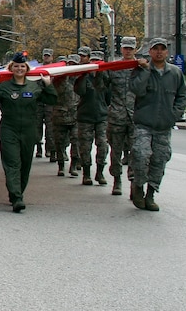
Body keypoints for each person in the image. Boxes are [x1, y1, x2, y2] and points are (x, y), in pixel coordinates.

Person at [0, 52, 57, 212]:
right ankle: (17, 197)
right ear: (11, 68)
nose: (19, 68)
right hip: (9, 129)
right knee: (12, 163)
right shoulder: (4, 87)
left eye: (22, 66)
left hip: (29, 129)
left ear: (27, 68)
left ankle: (17, 192)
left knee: (25, 163)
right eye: (16, 66)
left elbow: (51, 100)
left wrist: (49, 85)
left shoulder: (34, 87)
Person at [129, 38, 186, 211]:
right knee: (140, 156)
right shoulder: (140, 70)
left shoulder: (175, 73)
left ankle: (151, 194)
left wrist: (174, 114)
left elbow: (183, 95)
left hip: (163, 126)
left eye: (163, 49)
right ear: (150, 52)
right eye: (156, 49)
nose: (159, 52)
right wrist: (146, 71)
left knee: (159, 160)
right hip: (144, 124)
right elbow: (137, 90)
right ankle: (138, 187)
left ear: (167, 52)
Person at [73, 47, 109, 186]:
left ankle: (100, 172)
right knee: (85, 147)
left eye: (97, 61)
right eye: (92, 61)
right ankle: (86, 174)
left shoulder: (105, 77)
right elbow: (80, 91)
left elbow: (109, 97)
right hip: (85, 117)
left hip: (101, 117)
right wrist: (83, 75)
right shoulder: (82, 77)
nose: (95, 64)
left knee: (103, 146)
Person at [107, 37, 138, 195]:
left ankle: (133, 181)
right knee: (116, 151)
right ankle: (117, 180)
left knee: (135, 151)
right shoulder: (114, 67)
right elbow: (103, 87)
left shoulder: (140, 67)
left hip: (135, 117)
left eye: (130, 48)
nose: (128, 51)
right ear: (121, 49)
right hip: (117, 116)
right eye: (125, 48)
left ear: (135, 49)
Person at [51, 55, 81, 178]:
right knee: (59, 142)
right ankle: (61, 165)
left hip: (76, 116)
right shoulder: (59, 78)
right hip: (60, 115)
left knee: (76, 142)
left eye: (74, 64)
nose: (71, 66)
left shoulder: (80, 79)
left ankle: (73, 164)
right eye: (70, 64)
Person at [40, 49, 56, 160]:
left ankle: (50, 149)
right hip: (39, 102)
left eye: (48, 56)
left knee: (50, 128)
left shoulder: (56, 69)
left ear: (52, 57)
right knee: (37, 127)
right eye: (45, 56)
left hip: (50, 103)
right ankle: (38, 148)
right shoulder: (38, 69)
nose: (46, 58)